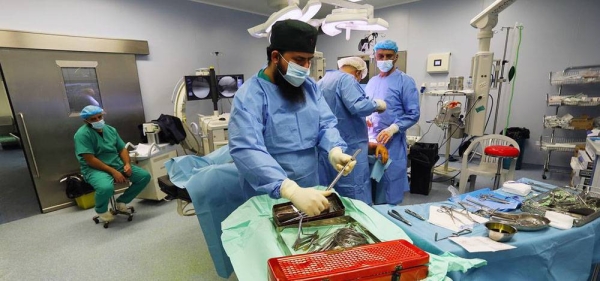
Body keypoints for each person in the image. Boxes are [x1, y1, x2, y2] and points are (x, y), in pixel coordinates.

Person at [228, 19, 356, 217]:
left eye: (309, 60)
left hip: (310, 186)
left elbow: (326, 124)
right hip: (269, 192)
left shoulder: (310, 88)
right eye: (298, 60)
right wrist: (288, 189)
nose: (305, 67)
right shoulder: (250, 95)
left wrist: (334, 151)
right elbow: (247, 148)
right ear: (275, 56)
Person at [317, 57, 388, 204]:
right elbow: (358, 106)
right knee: (355, 192)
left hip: (328, 149)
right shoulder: (347, 80)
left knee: (332, 193)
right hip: (350, 148)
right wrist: (377, 105)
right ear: (358, 73)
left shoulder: (322, 81)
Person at [365, 39, 420, 205]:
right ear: (375, 57)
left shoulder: (405, 81)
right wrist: (367, 118)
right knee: (372, 186)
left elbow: (413, 113)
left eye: (389, 56)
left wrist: (393, 129)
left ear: (396, 57)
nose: (384, 59)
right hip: (371, 142)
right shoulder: (372, 81)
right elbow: (367, 105)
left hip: (392, 143)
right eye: (380, 56)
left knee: (389, 188)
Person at [74, 105, 151, 222]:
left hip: (116, 163)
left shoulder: (110, 129)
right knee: (105, 188)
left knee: (144, 177)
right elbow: (90, 159)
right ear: (86, 121)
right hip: (94, 169)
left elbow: (122, 149)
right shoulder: (82, 134)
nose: (98, 120)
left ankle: (122, 201)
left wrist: (127, 164)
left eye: (99, 117)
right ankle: (101, 210)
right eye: (93, 119)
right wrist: (113, 172)